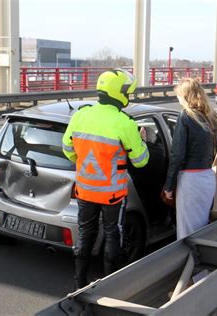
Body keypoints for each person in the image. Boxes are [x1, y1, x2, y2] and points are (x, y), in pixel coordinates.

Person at [62, 69, 149, 289]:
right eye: (127, 92)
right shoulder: (124, 123)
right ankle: (110, 285)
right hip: (112, 194)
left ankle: (78, 283)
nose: (129, 96)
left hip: (85, 190)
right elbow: (140, 161)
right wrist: (143, 141)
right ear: (119, 93)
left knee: (85, 233)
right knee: (113, 234)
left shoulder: (80, 115)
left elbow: (67, 150)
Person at [163, 78, 217, 240]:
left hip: (190, 182)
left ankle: (190, 263)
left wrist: (169, 187)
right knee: (202, 227)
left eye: (178, 95)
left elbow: (177, 155)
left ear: (185, 96)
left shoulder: (185, 116)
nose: (177, 99)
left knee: (187, 234)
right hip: (207, 180)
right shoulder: (211, 117)